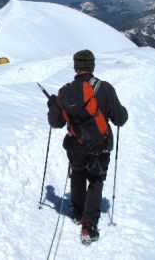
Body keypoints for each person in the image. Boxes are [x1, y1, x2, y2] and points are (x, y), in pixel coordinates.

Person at [47, 49, 128, 244]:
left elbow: (56, 123)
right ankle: (89, 224)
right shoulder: (105, 89)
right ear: (92, 66)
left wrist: (52, 106)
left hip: (75, 145)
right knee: (96, 179)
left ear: (75, 67)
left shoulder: (65, 92)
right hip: (99, 146)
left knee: (77, 173)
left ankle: (78, 212)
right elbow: (120, 119)